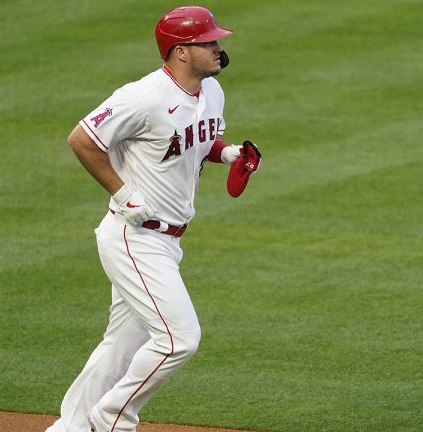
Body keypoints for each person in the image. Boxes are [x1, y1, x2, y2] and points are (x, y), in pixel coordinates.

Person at [46, 6, 259, 432]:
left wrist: (228, 153)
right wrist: (122, 193)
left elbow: (192, 141)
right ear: (181, 52)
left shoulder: (211, 93)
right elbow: (82, 139)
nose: (220, 48)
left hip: (168, 242)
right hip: (134, 237)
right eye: (210, 42)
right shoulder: (142, 97)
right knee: (179, 340)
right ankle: (112, 420)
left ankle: (69, 429)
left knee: (121, 347)